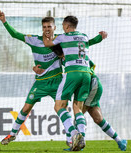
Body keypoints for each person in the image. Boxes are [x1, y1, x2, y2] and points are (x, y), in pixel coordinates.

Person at [0, 9, 104, 149]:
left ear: (55, 27)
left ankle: (71, 139)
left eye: (49, 26)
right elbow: (15, 34)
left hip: (57, 80)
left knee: (63, 108)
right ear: (42, 28)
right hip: (41, 82)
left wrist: (99, 38)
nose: (47, 29)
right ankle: (12, 134)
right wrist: (4, 21)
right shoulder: (34, 40)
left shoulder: (61, 39)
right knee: (26, 107)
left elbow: (81, 45)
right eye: (44, 27)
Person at [35, 40, 127, 152]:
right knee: (97, 118)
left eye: (62, 56)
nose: (62, 58)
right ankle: (120, 141)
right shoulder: (74, 56)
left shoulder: (71, 58)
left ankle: (78, 140)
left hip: (92, 85)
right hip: (93, 85)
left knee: (77, 112)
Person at [43, 15, 95, 151]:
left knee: (59, 106)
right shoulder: (84, 36)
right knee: (78, 107)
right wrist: (100, 37)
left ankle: (74, 133)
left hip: (72, 73)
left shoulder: (63, 37)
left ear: (66, 26)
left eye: (63, 27)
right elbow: (92, 41)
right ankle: (81, 139)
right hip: (87, 74)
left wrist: (45, 34)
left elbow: (47, 44)